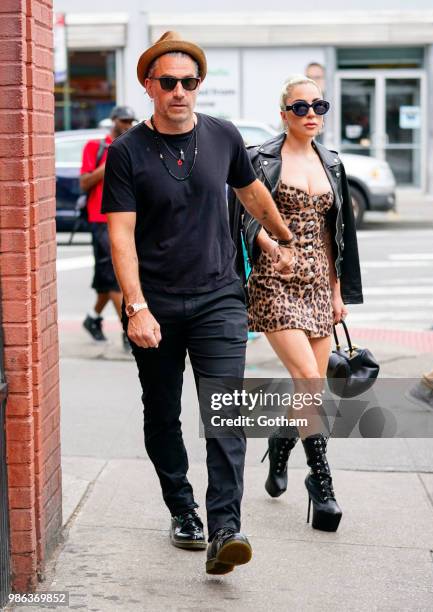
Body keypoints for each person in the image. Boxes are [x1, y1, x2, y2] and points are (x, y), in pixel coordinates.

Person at [101, 31, 296, 575]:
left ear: (199, 85)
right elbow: (121, 236)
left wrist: (281, 239)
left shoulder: (223, 136)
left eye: (189, 82)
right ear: (149, 86)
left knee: (225, 413)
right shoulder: (126, 153)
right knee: (162, 414)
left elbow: (251, 192)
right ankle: (183, 509)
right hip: (155, 305)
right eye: (168, 82)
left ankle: (225, 528)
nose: (180, 91)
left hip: (219, 298)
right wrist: (135, 307)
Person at [229, 74, 363, 532]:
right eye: (301, 107)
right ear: (284, 113)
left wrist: (338, 292)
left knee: (312, 389)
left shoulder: (333, 164)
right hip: (274, 280)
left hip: (318, 284)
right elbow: (245, 214)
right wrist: (272, 250)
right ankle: (322, 487)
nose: (310, 115)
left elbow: (336, 236)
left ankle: (284, 439)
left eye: (318, 107)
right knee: (306, 377)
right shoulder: (261, 158)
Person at [80, 105, 136, 350]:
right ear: (113, 121)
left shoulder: (132, 145)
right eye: (123, 120)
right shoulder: (97, 147)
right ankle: (128, 329)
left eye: (130, 121)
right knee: (113, 278)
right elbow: (84, 183)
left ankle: (92, 319)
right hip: (100, 219)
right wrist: (107, 166)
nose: (127, 125)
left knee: (107, 278)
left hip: (128, 219)